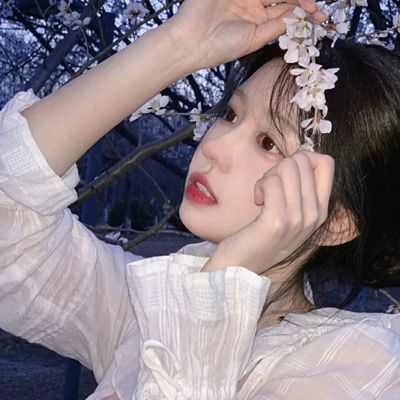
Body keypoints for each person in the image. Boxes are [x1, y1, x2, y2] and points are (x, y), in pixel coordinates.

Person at [1, 0, 399, 398]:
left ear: (335, 222)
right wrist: (177, 45)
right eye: (231, 115)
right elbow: (11, 230)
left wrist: (230, 273)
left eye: (268, 143)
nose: (214, 147)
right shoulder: (148, 307)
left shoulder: (362, 368)